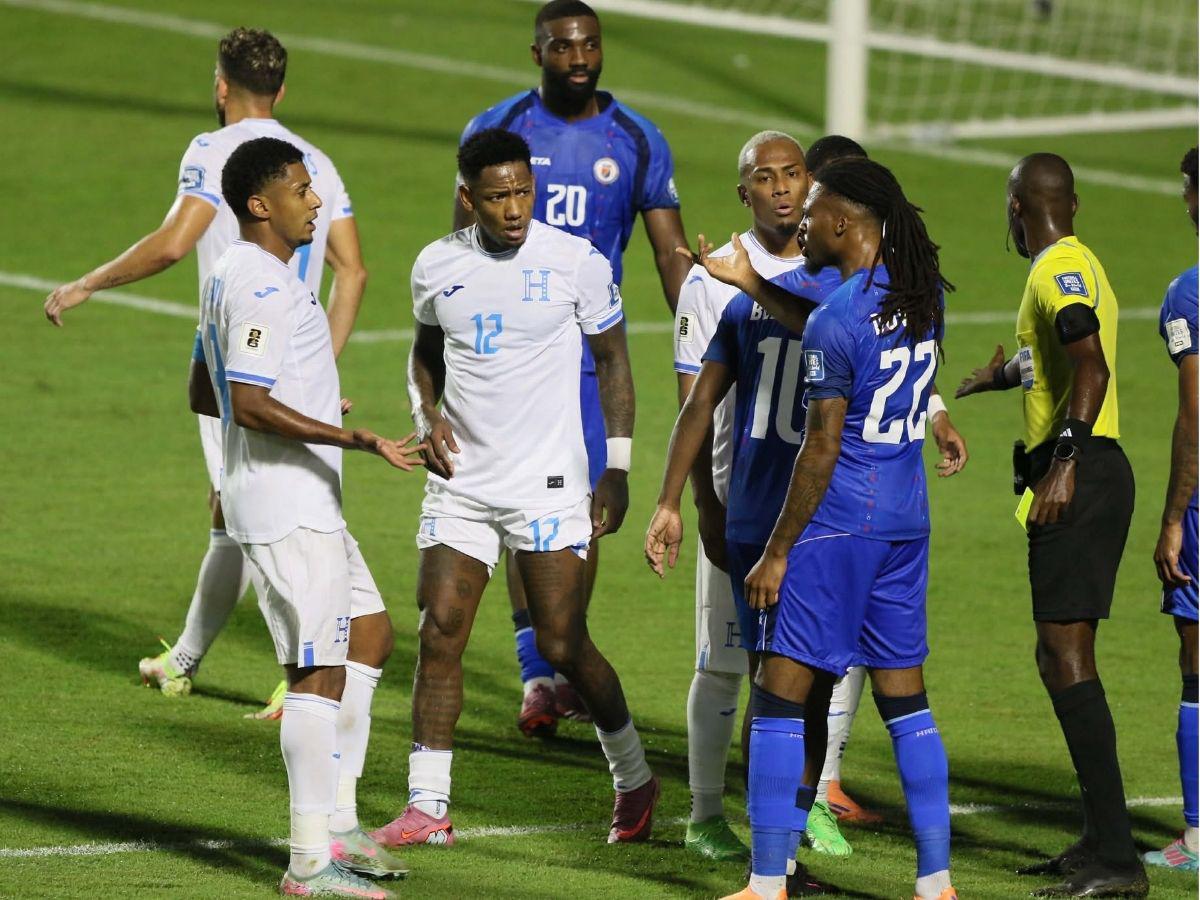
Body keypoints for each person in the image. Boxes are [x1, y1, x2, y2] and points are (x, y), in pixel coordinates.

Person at [43, 28, 368, 717]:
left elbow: (172, 243)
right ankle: (190, 659)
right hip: (288, 362)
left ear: (221, 86)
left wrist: (87, 283)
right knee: (247, 510)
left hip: (236, 365)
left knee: (259, 514)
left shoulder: (214, 153)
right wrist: (320, 367)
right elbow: (354, 271)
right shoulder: (317, 164)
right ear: (281, 90)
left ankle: (299, 670)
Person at [370, 129, 657, 849]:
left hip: (549, 482)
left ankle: (633, 775)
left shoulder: (575, 263)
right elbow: (424, 354)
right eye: (497, 196)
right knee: (440, 630)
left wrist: (616, 468)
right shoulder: (436, 265)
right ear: (468, 197)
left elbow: (615, 364)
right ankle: (428, 805)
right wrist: (424, 416)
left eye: (523, 192)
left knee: (561, 643)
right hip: (463, 480)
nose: (514, 209)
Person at [696, 157, 958, 900]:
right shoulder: (923, 295)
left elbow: (820, 447)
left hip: (839, 525)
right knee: (906, 698)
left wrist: (778, 551)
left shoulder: (839, 321)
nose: (801, 223)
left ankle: (766, 881)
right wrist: (755, 285)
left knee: (780, 697)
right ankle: (936, 881)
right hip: (907, 524)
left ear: (844, 224)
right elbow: (832, 327)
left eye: (812, 213)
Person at [191, 136, 422, 898]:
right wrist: (348, 433)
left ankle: (341, 824)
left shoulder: (235, 272)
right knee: (315, 673)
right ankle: (308, 865)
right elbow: (249, 403)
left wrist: (314, 403)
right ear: (261, 205)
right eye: (300, 189)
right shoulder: (260, 285)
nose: (315, 202)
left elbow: (207, 386)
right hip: (288, 507)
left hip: (304, 497)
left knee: (371, 633)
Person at [455, 0, 690, 736]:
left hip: (587, 359)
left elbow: (668, 255)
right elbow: (459, 243)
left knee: (583, 518)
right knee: (511, 507)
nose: (579, 57)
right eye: (563, 46)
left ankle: (561, 656)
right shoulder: (500, 131)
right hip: (509, 358)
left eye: (590, 43)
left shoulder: (637, 140)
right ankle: (541, 674)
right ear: (538, 55)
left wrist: (705, 341)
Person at [955, 153, 1147, 897]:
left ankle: (1120, 861)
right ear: (1076, 203)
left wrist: (1063, 460)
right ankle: (1101, 838)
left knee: (1069, 660)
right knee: (1056, 657)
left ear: (1015, 208)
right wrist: (996, 377)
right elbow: (1056, 361)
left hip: (1084, 474)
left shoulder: (1051, 272)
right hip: (1091, 471)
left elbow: (1090, 366)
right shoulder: (1078, 262)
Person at [1144, 146, 1198, 873]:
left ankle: (1197, 835)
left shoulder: (1189, 294)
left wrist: (1175, 516)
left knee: (1197, 666)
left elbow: (1195, 413)